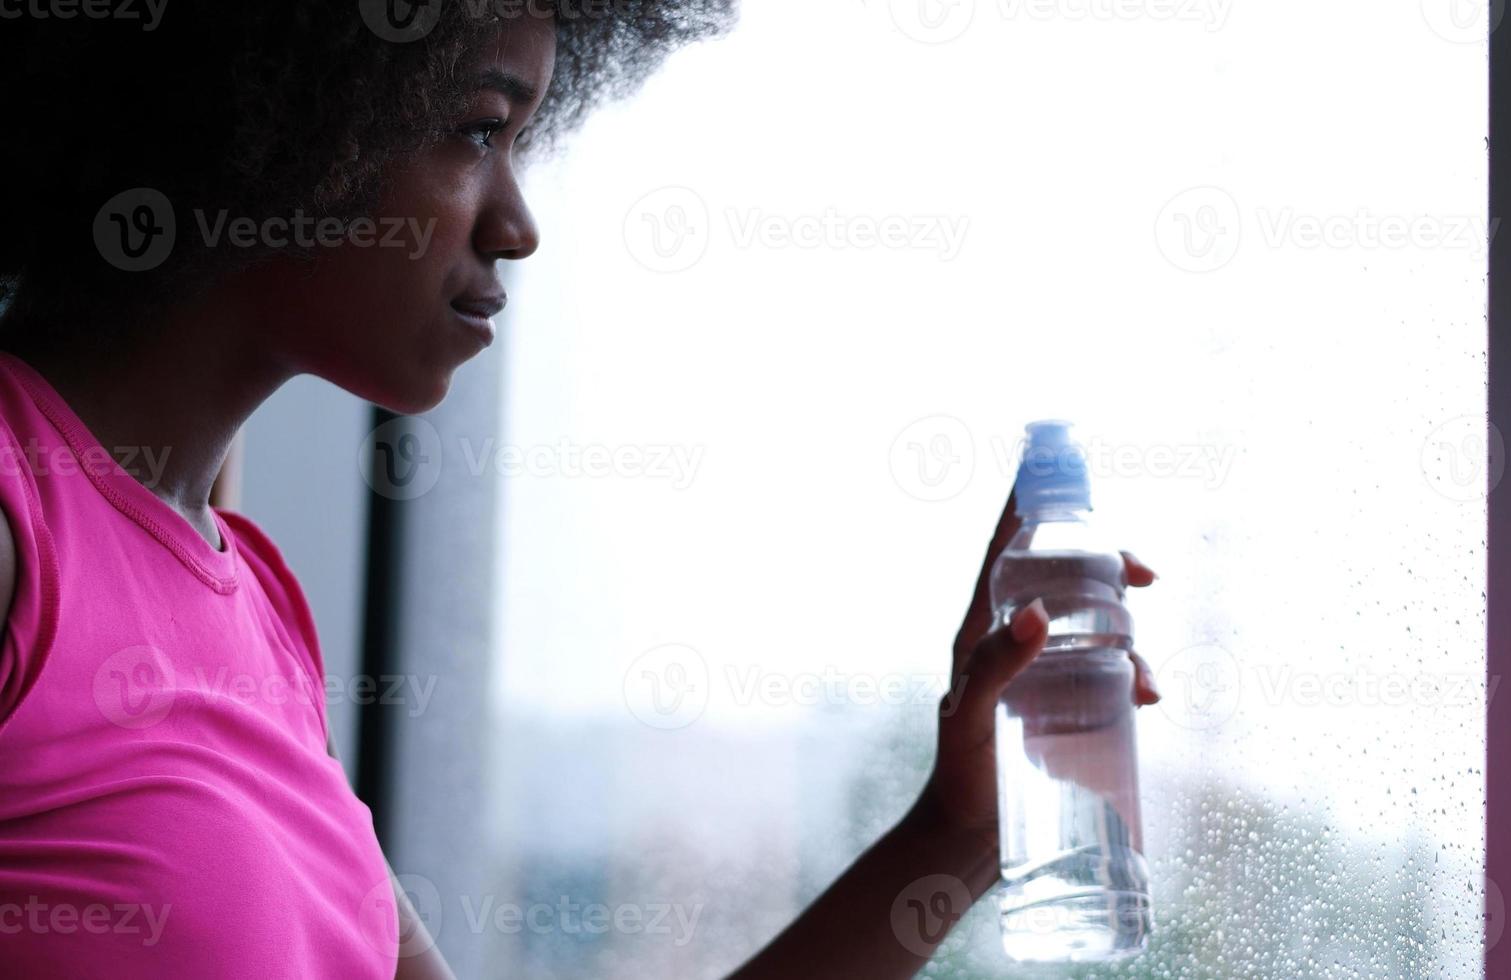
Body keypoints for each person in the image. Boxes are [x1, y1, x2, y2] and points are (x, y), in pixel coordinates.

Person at [0, 4, 1160, 977]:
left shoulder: (257, 605)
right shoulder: (18, 524)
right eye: (475, 130)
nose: (517, 224)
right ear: (274, 111)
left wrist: (953, 831)